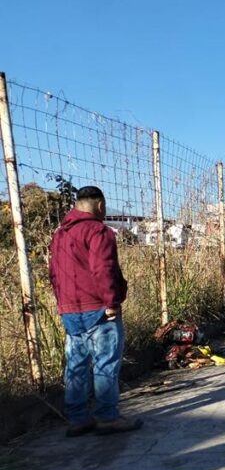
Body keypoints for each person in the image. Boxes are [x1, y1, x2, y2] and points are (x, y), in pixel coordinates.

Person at [48, 186, 142, 436]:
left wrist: (62, 302)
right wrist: (111, 302)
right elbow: (103, 270)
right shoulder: (98, 230)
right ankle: (107, 417)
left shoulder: (60, 234)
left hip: (69, 308)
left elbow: (54, 273)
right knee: (105, 362)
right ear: (100, 205)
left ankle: (78, 418)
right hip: (98, 308)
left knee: (76, 364)